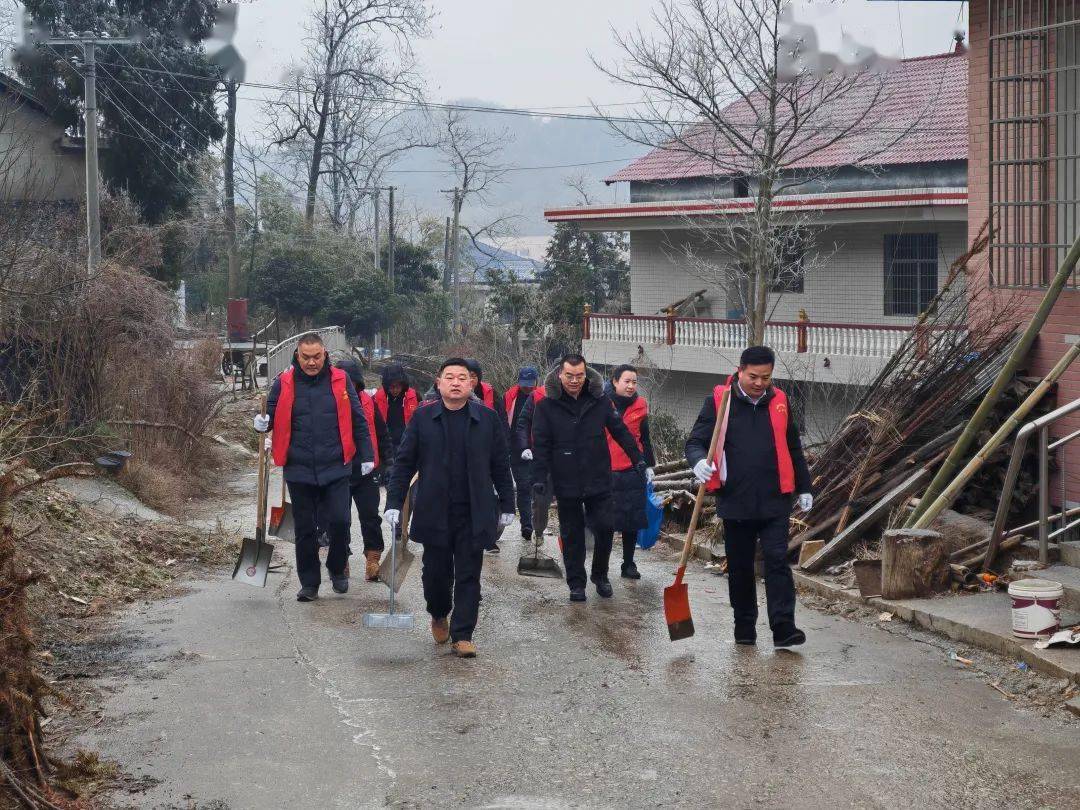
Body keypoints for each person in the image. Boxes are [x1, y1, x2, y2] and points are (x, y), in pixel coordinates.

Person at [385, 358, 515, 658]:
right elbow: (404, 463)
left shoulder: (487, 419)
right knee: (436, 575)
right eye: (450, 377)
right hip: (434, 509)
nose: (456, 383)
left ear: (472, 384)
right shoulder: (423, 417)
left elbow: (500, 463)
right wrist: (393, 503)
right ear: (439, 382)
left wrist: (508, 503)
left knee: (469, 573)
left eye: (462, 378)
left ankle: (463, 634)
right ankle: (438, 612)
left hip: (474, 510)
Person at [684, 345, 813, 648]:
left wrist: (805, 486)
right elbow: (695, 442)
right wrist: (699, 462)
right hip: (736, 499)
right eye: (753, 376)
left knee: (777, 561)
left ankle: (783, 627)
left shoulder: (780, 401)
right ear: (740, 371)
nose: (759, 383)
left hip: (774, 498)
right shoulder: (720, 401)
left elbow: (793, 447)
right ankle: (744, 627)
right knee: (741, 567)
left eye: (765, 377)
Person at [254, 333, 374, 602]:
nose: (311, 362)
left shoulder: (341, 380)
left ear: (324, 354)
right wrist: (261, 423)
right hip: (299, 467)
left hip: (336, 464)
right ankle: (309, 583)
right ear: (297, 356)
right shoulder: (284, 382)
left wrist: (367, 455)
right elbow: (269, 413)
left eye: (316, 357)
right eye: (306, 357)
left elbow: (358, 419)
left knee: (340, 522)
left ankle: (337, 567)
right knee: (305, 529)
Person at [531, 353, 645, 602]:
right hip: (566, 479)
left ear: (586, 375)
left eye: (579, 375)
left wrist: (637, 458)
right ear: (560, 375)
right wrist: (539, 478)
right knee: (572, 535)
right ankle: (576, 583)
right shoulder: (546, 406)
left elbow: (620, 431)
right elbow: (540, 444)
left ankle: (600, 575)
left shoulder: (599, 401)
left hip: (598, 477)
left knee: (605, 527)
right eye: (569, 375)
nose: (574, 380)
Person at [337, 359, 393, 582]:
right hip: (338, 470)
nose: (348, 387)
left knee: (370, 516)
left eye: (352, 383)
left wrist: (389, 462)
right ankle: (341, 559)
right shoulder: (329, 404)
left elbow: (382, 433)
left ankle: (373, 559)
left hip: (366, 469)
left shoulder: (368, 402)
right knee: (340, 519)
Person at [605, 365, 656, 580]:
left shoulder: (641, 405)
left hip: (633, 469)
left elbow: (644, 437)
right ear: (615, 381)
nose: (631, 386)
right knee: (606, 522)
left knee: (632, 520)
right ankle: (602, 567)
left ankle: (628, 564)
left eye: (634, 382)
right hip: (606, 469)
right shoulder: (602, 403)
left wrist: (649, 465)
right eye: (627, 381)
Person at [504, 367, 544, 542]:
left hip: (538, 449)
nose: (527, 388)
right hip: (516, 449)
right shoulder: (509, 397)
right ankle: (527, 525)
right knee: (523, 487)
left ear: (536, 381)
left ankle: (538, 525)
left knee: (538, 489)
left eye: (530, 384)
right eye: (524, 384)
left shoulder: (541, 397)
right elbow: (504, 420)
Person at [374, 363, 418, 460]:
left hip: (406, 443)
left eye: (398, 387)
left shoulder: (414, 396)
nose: (395, 390)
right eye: (392, 387)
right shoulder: (377, 398)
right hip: (385, 445)